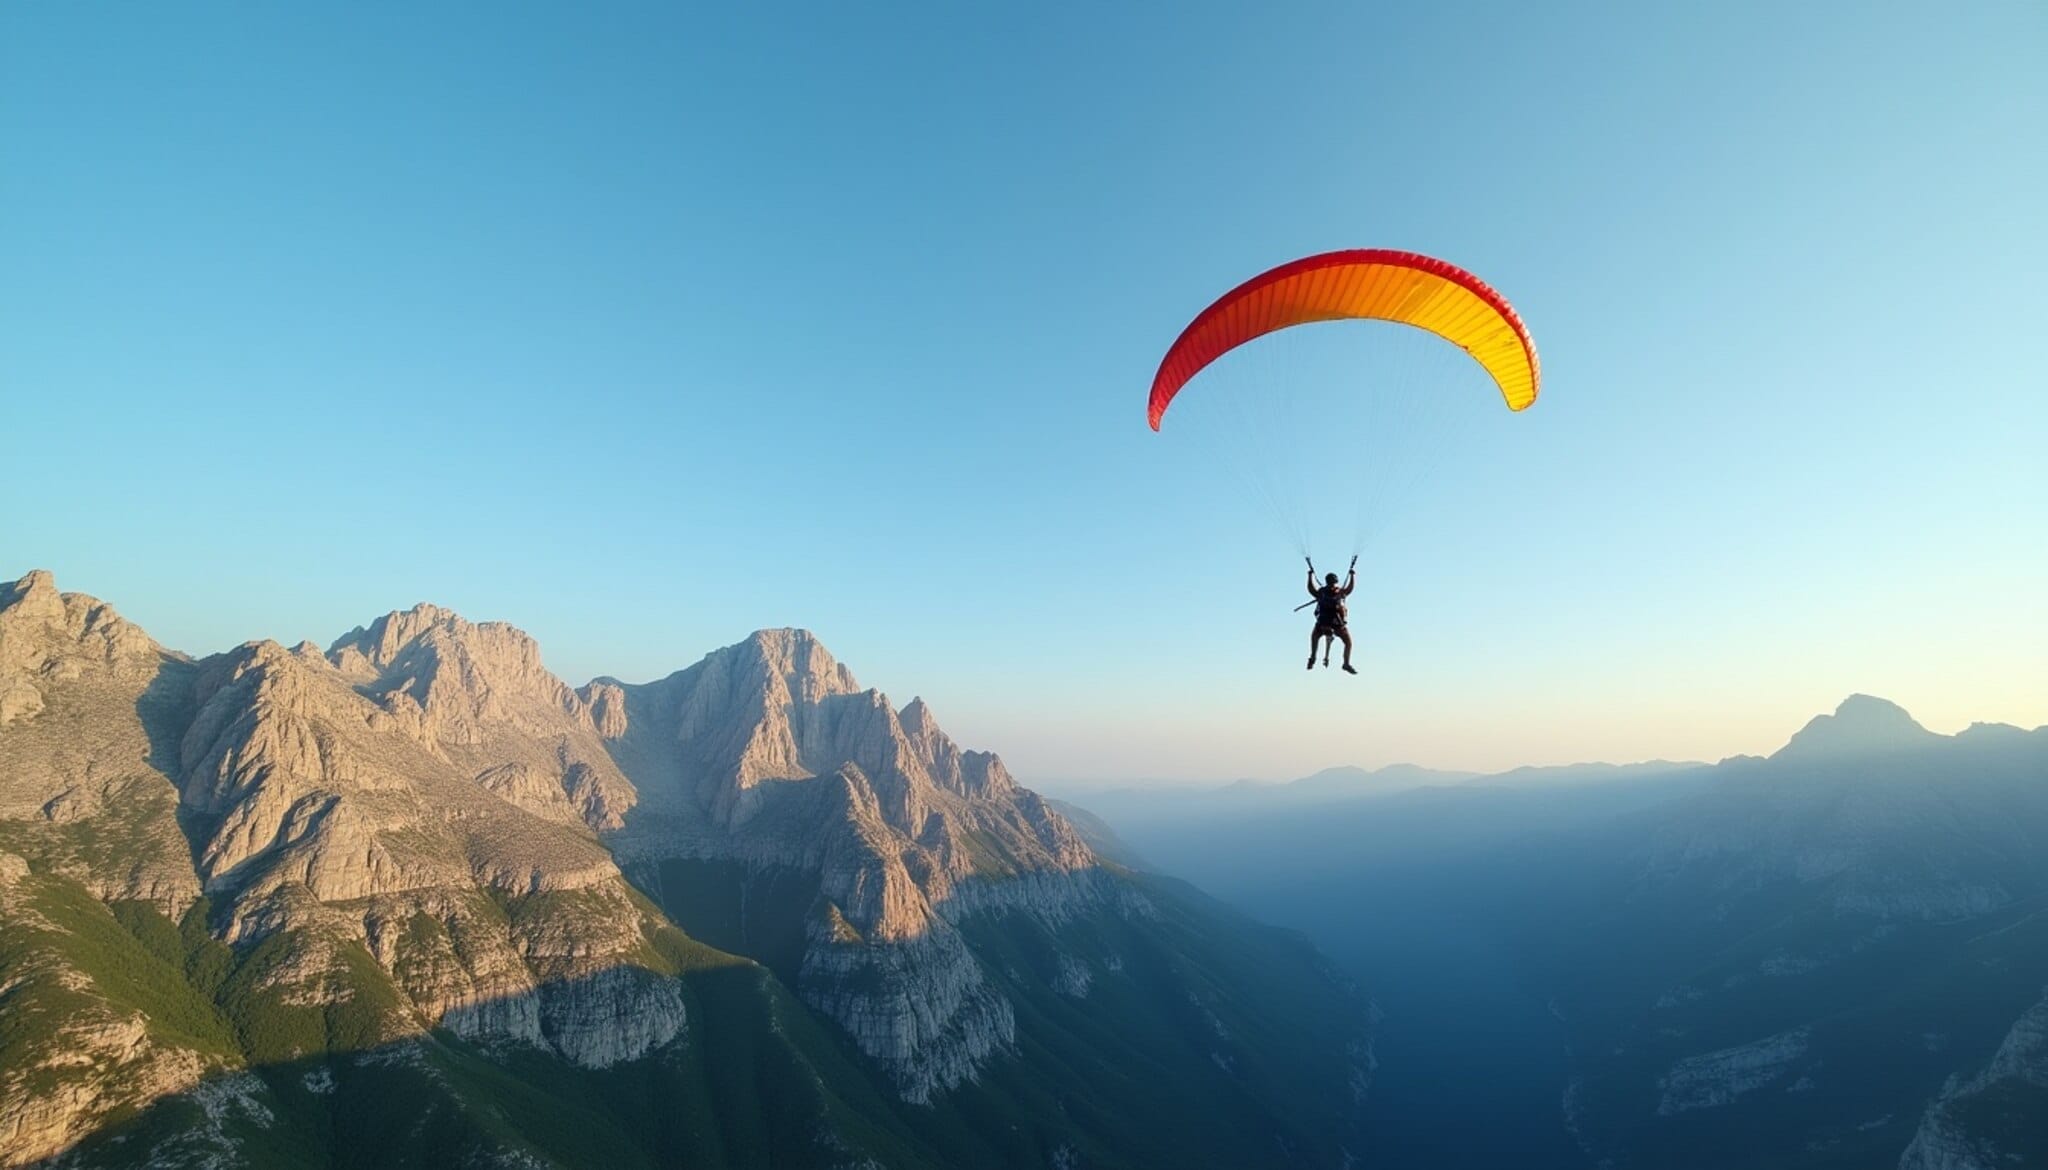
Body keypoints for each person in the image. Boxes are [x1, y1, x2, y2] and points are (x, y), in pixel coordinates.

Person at [1305, 559, 1357, 674]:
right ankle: (1346, 663)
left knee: (1314, 638)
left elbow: (1310, 589)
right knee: (1348, 642)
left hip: (1322, 624)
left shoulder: (1321, 592)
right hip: (1337, 625)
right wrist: (1352, 575)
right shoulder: (1339, 592)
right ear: (1335, 582)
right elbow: (1350, 589)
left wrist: (1310, 576)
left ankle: (1312, 658)